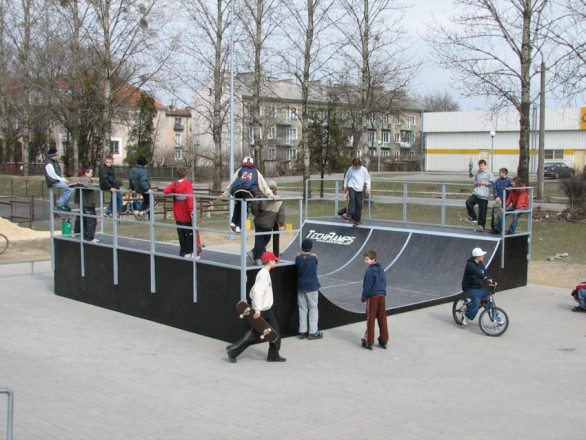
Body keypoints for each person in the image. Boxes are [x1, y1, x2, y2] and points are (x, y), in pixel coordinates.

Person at [226, 251, 286, 363]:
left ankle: (273, 355)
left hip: (267, 309)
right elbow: (258, 292)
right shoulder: (263, 274)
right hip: (261, 311)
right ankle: (232, 350)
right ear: (270, 261)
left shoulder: (264, 273)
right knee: (253, 335)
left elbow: (253, 290)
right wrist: (257, 309)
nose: (276, 262)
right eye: (275, 260)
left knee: (275, 333)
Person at [223, 156, 274, 233]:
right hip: (247, 191)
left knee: (238, 205)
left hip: (237, 190)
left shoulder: (241, 169)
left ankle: (233, 222)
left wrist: (225, 194)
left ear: (244, 163)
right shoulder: (255, 171)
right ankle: (239, 226)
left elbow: (232, 182)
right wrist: (271, 195)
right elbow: (263, 185)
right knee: (245, 208)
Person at [461, 247, 501, 327]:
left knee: (489, 299)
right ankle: (466, 316)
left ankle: (496, 318)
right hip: (469, 288)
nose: (483, 256)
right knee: (476, 301)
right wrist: (486, 279)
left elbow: (485, 273)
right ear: (478, 256)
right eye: (482, 255)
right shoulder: (470, 265)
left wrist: (491, 281)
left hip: (479, 287)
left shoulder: (480, 264)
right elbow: (478, 273)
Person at [248, 181, 285, 266]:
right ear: (276, 188)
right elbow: (281, 213)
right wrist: (281, 224)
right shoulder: (279, 199)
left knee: (259, 240)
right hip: (269, 223)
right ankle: (257, 258)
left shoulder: (262, 196)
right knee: (265, 239)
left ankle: (254, 252)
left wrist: (257, 214)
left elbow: (254, 205)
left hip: (259, 221)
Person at [163, 168, 195, 258]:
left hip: (177, 213)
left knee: (181, 233)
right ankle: (189, 251)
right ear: (186, 174)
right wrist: (191, 209)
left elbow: (166, 191)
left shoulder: (175, 183)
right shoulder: (187, 183)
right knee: (189, 233)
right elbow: (189, 197)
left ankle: (183, 251)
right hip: (185, 212)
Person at [361, 250, 389, 350]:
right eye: (365, 259)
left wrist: (364, 298)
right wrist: (383, 292)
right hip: (382, 296)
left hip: (373, 297)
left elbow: (367, 286)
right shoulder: (381, 270)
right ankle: (383, 340)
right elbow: (384, 282)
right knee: (382, 318)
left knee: (371, 319)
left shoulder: (369, 271)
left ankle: (369, 341)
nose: (365, 261)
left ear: (373, 259)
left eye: (367, 260)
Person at [296, 239, 323, 340]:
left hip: (301, 287)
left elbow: (299, 256)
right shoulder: (313, 258)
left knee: (302, 309)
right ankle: (313, 332)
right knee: (313, 309)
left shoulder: (298, 258)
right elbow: (315, 256)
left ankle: (302, 331)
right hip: (312, 287)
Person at [465, 159, 494, 232]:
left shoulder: (489, 173)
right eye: (479, 166)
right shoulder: (478, 173)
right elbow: (474, 182)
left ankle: (481, 226)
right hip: (476, 193)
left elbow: (492, 183)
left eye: (482, 165)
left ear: (485, 165)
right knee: (468, 202)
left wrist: (484, 183)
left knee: (482, 212)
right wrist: (477, 182)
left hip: (484, 195)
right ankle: (473, 217)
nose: (481, 167)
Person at [72, 165, 98, 242]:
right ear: (86, 173)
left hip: (84, 203)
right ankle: (90, 237)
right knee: (91, 220)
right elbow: (87, 185)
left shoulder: (82, 179)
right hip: (87, 203)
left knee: (82, 218)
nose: (91, 175)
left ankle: (81, 234)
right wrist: (92, 186)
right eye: (91, 173)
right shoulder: (85, 179)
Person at [343, 158, 371, 225]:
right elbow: (347, 177)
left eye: (357, 166)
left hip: (359, 189)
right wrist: (345, 186)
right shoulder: (351, 169)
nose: (356, 167)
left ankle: (357, 219)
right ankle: (350, 215)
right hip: (351, 186)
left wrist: (368, 187)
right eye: (355, 166)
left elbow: (367, 179)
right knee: (352, 199)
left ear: (360, 164)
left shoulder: (364, 170)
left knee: (359, 204)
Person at [128, 156, 152, 220]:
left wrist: (132, 188)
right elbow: (143, 181)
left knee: (146, 201)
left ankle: (138, 211)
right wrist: (147, 189)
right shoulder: (143, 171)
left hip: (137, 189)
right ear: (144, 163)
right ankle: (143, 212)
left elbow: (130, 179)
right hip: (143, 189)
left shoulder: (133, 170)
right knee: (153, 201)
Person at [490, 167, 512, 234]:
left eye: (500, 173)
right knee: (495, 213)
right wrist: (496, 196)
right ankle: (494, 228)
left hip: (505, 200)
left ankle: (500, 228)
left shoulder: (509, 181)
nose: (499, 174)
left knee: (502, 215)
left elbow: (512, 189)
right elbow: (495, 189)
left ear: (504, 173)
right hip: (498, 200)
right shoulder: (497, 181)